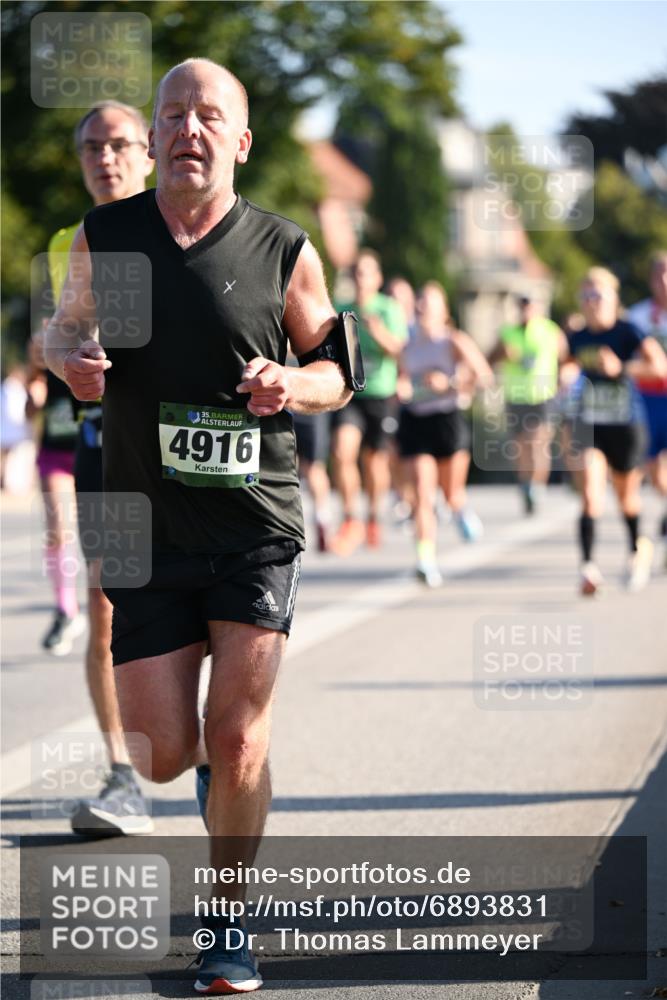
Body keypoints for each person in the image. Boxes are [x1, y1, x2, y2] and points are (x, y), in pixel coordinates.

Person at [46, 58, 351, 994]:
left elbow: (337, 369)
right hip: (144, 521)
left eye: (207, 115)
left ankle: (228, 924)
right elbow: (60, 331)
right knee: (166, 751)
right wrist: (72, 361)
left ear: (240, 141)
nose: (186, 128)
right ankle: (215, 783)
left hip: (253, 521)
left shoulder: (282, 247)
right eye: (172, 112)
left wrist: (289, 384)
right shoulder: (111, 236)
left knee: (240, 734)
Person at [46, 101, 155, 835]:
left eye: (119, 145)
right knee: (106, 611)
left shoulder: (181, 225)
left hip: (175, 447)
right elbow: (45, 340)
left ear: (147, 153)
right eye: (91, 147)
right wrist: (68, 349)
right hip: (99, 445)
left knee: (202, 611)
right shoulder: (67, 241)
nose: (104, 158)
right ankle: (124, 777)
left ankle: (206, 751)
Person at [564, 267, 667, 595]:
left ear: (613, 299)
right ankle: (588, 568)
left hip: (626, 425)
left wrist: (621, 367)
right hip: (591, 423)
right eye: (587, 296)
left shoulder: (629, 331)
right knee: (591, 493)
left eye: (599, 296)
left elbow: (659, 365)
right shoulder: (577, 336)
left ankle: (638, 548)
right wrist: (564, 374)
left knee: (626, 499)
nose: (593, 302)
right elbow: (564, 363)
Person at [398, 282, 493, 586]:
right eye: (420, 303)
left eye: (430, 303)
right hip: (416, 421)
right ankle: (425, 559)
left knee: (450, 495)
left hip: (448, 421)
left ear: (443, 311)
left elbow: (484, 378)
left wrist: (449, 384)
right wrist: (401, 390)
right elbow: (400, 381)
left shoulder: (454, 341)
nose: (423, 307)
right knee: (423, 496)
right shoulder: (407, 346)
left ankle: (459, 509)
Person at [329, 249, 408, 554]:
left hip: (380, 392)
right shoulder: (343, 309)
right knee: (341, 451)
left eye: (366, 274)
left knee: (374, 460)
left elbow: (400, 352)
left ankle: (373, 516)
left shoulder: (387, 309)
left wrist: (377, 330)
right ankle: (351, 518)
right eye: (356, 274)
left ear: (377, 278)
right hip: (350, 394)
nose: (360, 280)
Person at [25, 325, 84, 654]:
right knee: (58, 530)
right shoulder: (42, 355)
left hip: (93, 449)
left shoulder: (93, 340)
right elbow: (31, 411)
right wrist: (34, 388)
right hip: (55, 454)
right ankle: (66, 609)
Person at [488, 296, 567, 514]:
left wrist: (564, 380)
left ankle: (537, 486)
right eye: (523, 307)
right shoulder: (508, 333)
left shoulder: (551, 331)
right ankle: (526, 484)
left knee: (538, 442)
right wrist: (503, 355)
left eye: (531, 307)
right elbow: (488, 359)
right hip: (516, 396)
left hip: (543, 395)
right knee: (521, 447)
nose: (527, 312)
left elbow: (566, 360)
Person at [627, 252, 667, 563]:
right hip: (648, 400)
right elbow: (626, 360)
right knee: (656, 476)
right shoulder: (638, 317)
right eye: (659, 274)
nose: (664, 281)